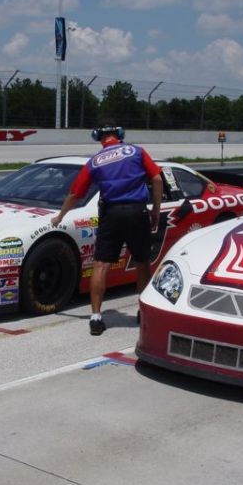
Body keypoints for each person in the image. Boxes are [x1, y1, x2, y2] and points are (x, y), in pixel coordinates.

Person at [51, 125, 163, 335]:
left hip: (111, 214)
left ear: (98, 138)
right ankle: (143, 311)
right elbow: (156, 179)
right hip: (137, 211)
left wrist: (60, 216)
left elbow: (75, 194)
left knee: (101, 265)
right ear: (120, 135)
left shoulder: (94, 161)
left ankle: (95, 317)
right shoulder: (137, 151)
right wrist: (155, 210)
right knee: (142, 262)